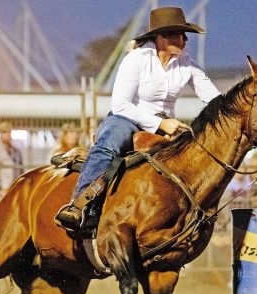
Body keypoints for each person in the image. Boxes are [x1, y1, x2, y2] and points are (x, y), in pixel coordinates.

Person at [55, 7, 221, 231]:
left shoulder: (188, 64)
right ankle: (80, 206)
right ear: (163, 38)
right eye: (181, 34)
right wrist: (162, 123)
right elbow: (121, 105)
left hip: (166, 125)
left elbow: (214, 99)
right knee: (108, 145)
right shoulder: (136, 59)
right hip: (127, 119)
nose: (185, 40)